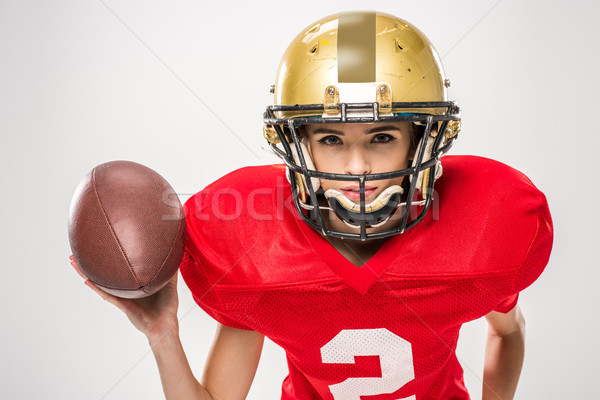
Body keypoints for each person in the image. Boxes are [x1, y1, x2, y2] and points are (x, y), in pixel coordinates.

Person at [71, 11, 553, 400]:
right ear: (297, 143)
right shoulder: (257, 257)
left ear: (421, 142)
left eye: (382, 137)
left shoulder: (481, 233)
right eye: (331, 138)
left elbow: (508, 333)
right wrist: (162, 332)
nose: (358, 166)